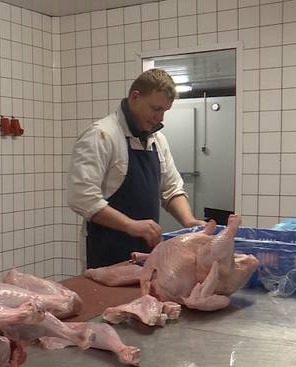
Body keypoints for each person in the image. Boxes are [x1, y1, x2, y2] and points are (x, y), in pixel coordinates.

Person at [67, 68, 204, 269]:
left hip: (145, 251)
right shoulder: (101, 135)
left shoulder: (158, 140)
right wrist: (130, 225)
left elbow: (171, 188)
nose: (160, 118)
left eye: (164, 111)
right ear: (135, 97)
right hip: (106, 251)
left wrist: (189, 221)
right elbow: (81, 198)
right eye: (155, 109)